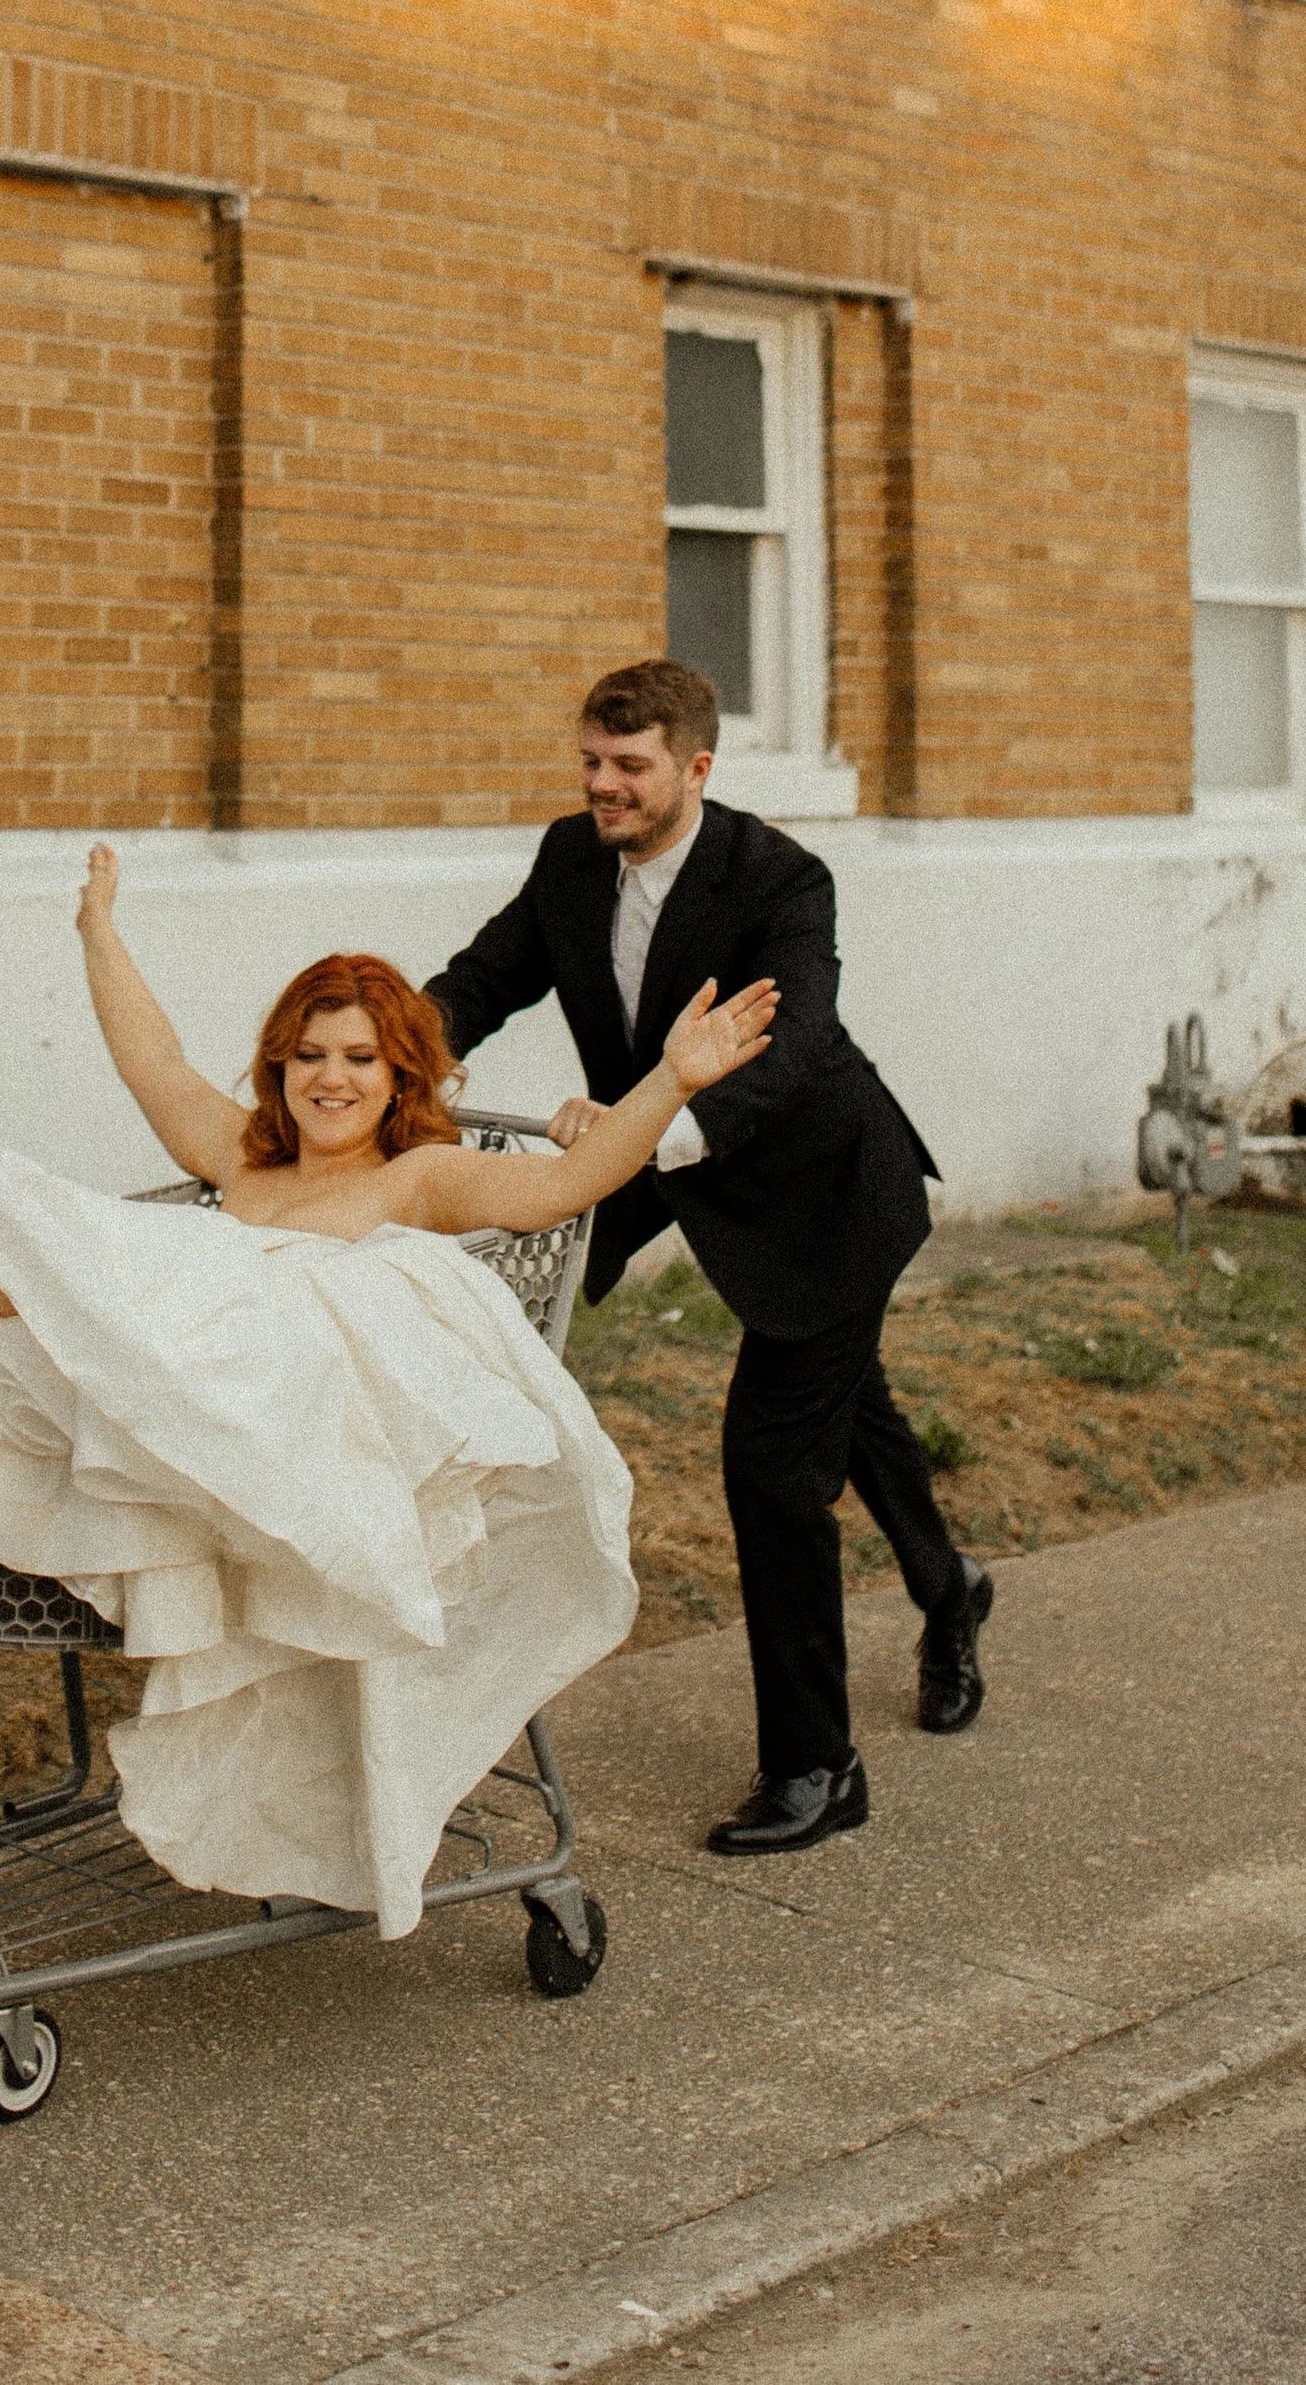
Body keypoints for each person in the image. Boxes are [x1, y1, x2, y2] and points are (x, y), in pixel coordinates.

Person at [0, 847, 777, 1935]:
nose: (330, 1078)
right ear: (280, 1067)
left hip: (220, 1416)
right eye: (308, 1056)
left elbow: (569, 1183)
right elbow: (156, 1064)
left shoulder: (416, 1177)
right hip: (134, 1385)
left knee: (152, 1263)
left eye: (359, 1059)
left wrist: (672, 1076)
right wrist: (99, 931)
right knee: (118, 1265)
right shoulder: (244, 1159)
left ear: (401, 1080)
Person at [423, 657, 991, 1857]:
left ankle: (817, 1768)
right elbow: (486, 975)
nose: (602, 788)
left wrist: (645, 1129)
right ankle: (952, 1588)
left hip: (822, 1184)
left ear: (695, 767)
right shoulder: (571, 859)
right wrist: (402, 1052)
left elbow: (797, 1047)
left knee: (774, 1464)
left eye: (628, 768)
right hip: (668, 1145)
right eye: (589, 762)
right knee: (847, 1404)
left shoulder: (782, 877)